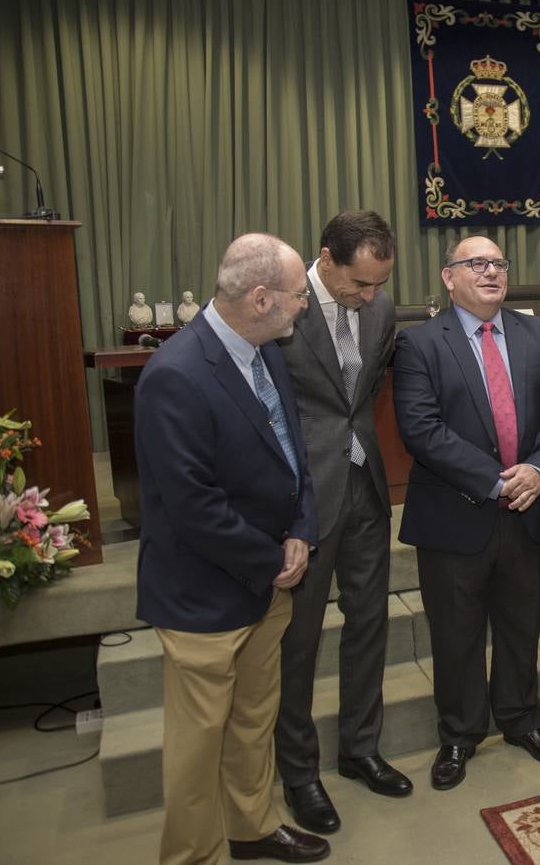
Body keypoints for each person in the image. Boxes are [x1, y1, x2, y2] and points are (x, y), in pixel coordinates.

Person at [134, 233, 329, 864]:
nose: (305, 305)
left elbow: (291, 455)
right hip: (204, 594)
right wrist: (273, 559)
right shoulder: (175, 375)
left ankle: (250, 827)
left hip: (267, 582)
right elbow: (193, 507)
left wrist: (300, 527)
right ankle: (192, 856)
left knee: (252, 722)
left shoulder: (265, 350)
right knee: (196, 751)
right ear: (261, 297)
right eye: (299, 296)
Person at [394, 236, 540, 791]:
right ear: (449, 278)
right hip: (456, 514)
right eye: (477, 264)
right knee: (456, 634)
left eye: (499, 263)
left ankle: (522, 720)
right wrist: (495, 480)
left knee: (522, 627)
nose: (492, 272)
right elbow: (421, 430)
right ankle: (459, 733)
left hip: (529, 506)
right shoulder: (420, 344)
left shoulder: (538, 335)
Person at [274, 211, 409, 835]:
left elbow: (364, 396)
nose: (371, 297)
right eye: (360, 284)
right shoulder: (281, 308)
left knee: (369, 622)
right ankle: (299, 772)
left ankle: (360, 749)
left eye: (380, 284)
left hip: (365, 487)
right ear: (324, 258)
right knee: (297, 641)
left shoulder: (379, 311)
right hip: (302, 498)